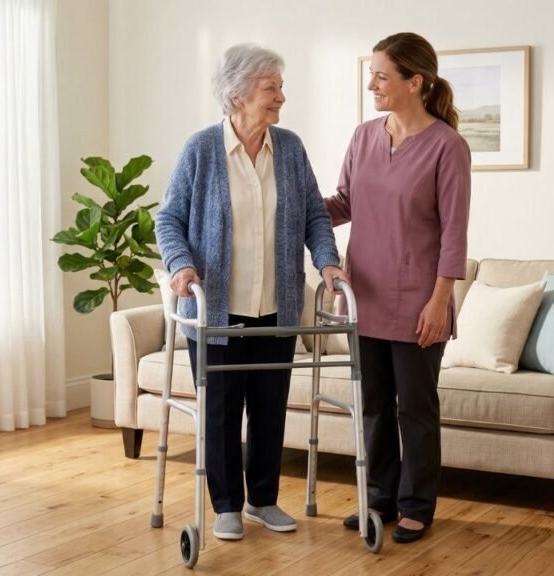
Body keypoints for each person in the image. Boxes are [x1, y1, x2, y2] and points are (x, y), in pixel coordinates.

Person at [156, 43, 346, 541]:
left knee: (269, 406)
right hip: (217, 309)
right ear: (237, 95)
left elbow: (313, 215)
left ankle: (263, 499)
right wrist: (181, 266)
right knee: (220, 411)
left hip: (276, 304)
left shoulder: (290, 148)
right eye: (271, 88)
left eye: (280, 87)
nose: (281, 97)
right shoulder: (201, 150)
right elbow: (169, 218)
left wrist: (327, 262)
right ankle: (225, 506)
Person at [326, 32, 470, 544]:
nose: (372, 85)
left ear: (416, 81)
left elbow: (454, 233)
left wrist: (439, 301)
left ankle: (416, 505)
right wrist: (291, 208)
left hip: (418, 301)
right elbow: (343, 202)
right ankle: (379, 498)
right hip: (364, 294)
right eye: (372, 74)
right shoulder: (364, 136)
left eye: (382, 76)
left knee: (415, 406)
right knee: (373, 405)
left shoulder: (447, 146)